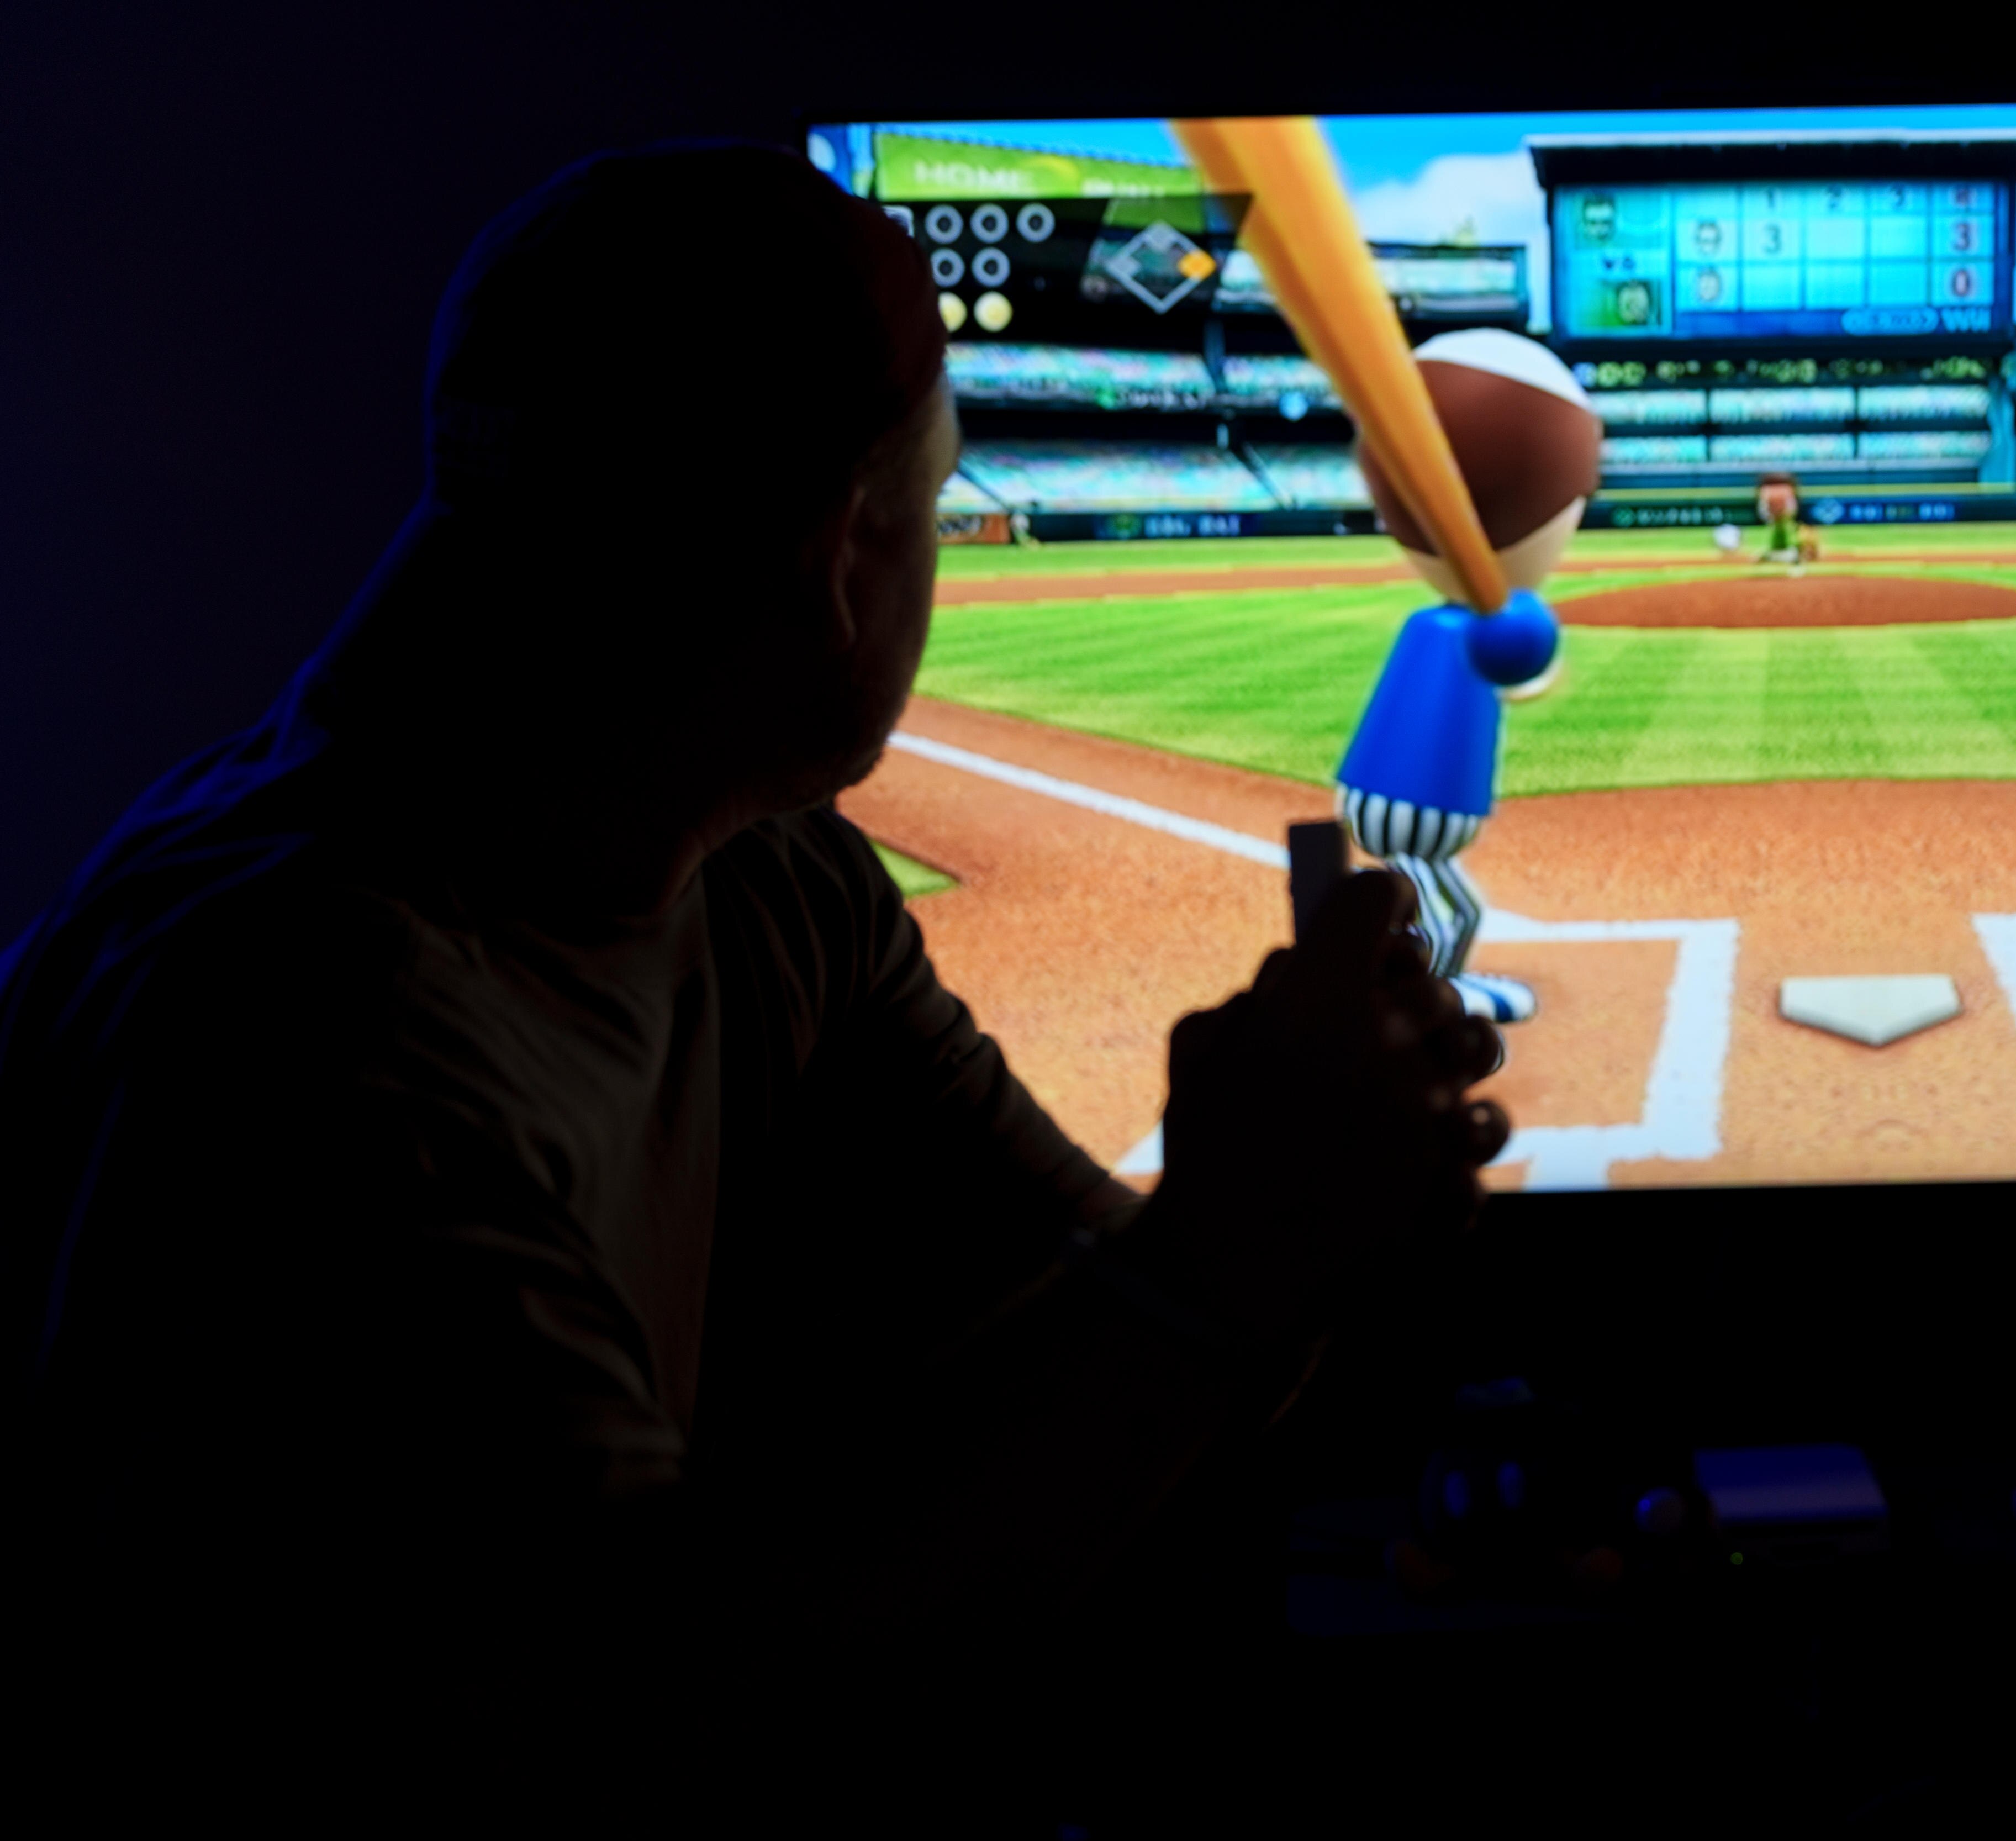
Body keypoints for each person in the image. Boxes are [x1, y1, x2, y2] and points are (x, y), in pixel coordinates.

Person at [1, 145, 1508, 1721]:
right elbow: (673, 1739)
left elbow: (1118, 1340)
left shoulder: (760, 875)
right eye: (931, 507)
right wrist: (1233, 1250)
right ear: (833, 561)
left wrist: (1278, 1249)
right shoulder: (316, 1047)